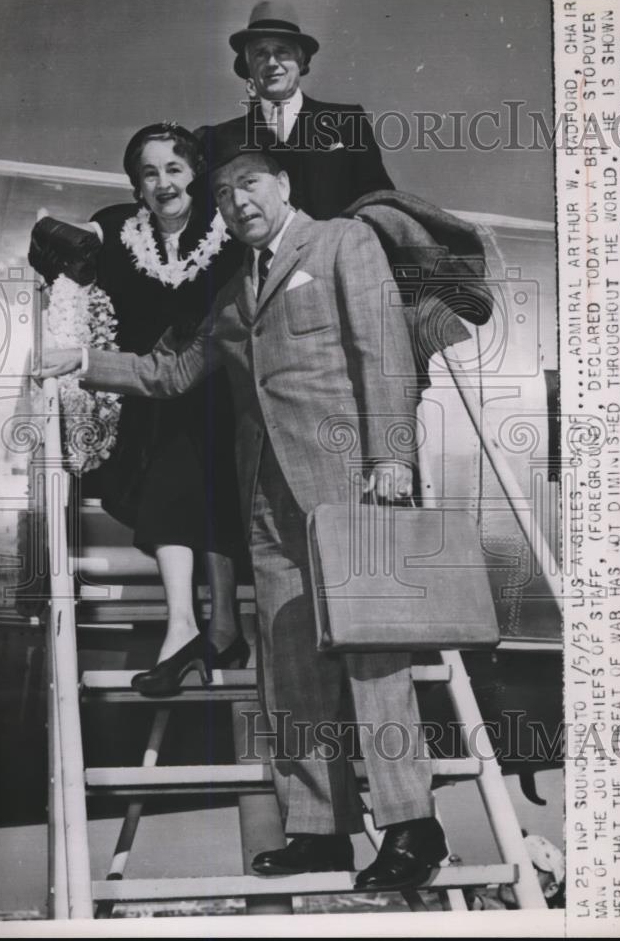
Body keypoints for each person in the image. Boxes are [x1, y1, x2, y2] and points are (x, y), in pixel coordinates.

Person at [40, 122, 449, 892]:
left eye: (249, 185)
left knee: (371, 660)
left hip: (350, 488)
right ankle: (318, 829)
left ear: (282, 187)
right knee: (289, 670)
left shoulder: (340, 245)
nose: (236, 202)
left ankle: (410, 828)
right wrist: (81, 361)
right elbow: (171, 371)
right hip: (267, 502)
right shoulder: (235, 288)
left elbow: (382, 353)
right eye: (224, 194)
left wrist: (390, 457)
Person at [30, 122, 247, 694]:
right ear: (135, 185)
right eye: (149, 173)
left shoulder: (228, 229)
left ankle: (205, 626)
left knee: (202, 431)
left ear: (194, 174)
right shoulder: (112, 227)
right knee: (176, 431)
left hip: (225, 398)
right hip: (145, 405)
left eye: (174, 169)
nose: (163, 183)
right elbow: (62, 253)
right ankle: (203, 627)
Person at [215, 0, 394, 219]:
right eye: (260, 53)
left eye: (282, 52)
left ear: (301, 61)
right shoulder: (223, 137)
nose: (271, 62)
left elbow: (380, 202)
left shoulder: (348, 122)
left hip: (336, 250)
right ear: (248, 65)